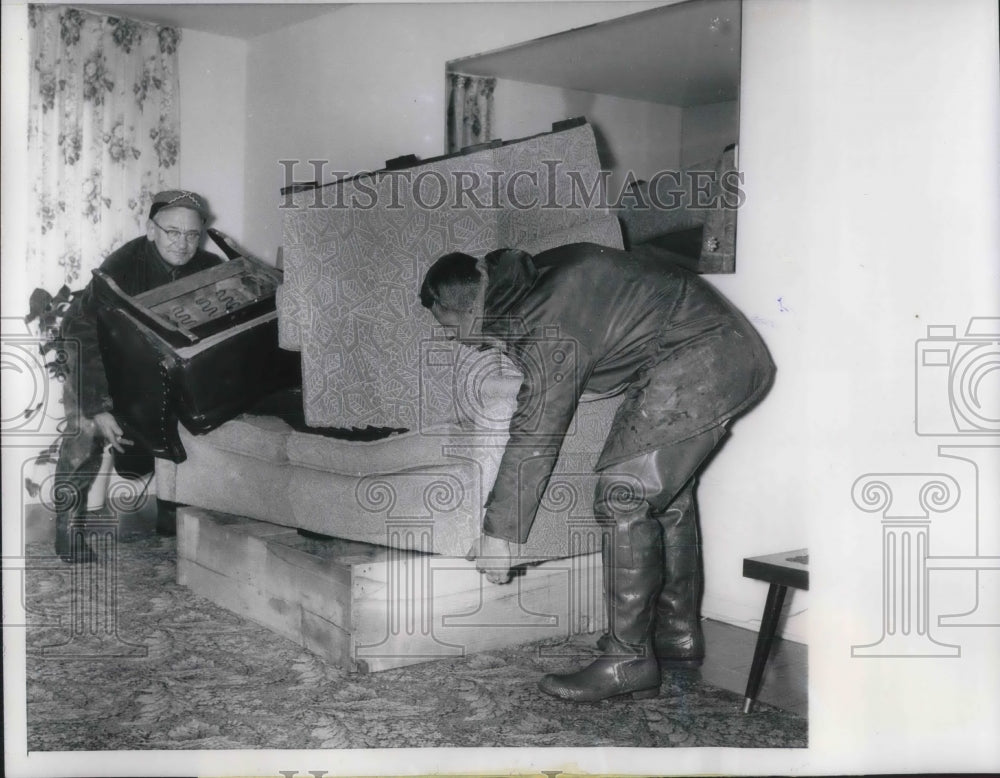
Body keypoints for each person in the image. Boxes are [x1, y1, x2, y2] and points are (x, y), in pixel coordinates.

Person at [419, 242, 776, 702]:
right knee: (666, 497)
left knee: (623, 494)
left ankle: (627, 659)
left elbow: (537, 430)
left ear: (465, 309)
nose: (455, 340)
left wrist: (499, 533)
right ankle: (675, 634)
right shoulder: (531, 280)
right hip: (714, 349)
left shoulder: (542, 315)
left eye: (449, 329)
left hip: (705, 353)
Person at [55, 190, 223, 559]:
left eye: (192, 235)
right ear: (151, 230)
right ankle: (66, 529)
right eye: (172, 232)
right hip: (96, 361)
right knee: (84, 432)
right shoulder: (120, 267)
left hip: (150, 370)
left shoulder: (208, 267)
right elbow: (82, 334)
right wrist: (98, 406)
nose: (183, 243)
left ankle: (171, 514)